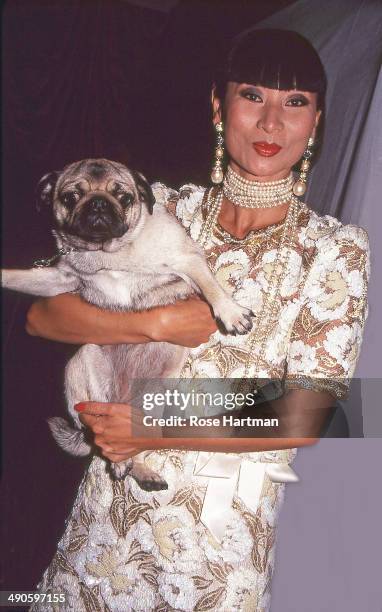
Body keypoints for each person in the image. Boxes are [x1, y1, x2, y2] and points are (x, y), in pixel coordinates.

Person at [27, 29, 369, 612]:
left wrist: (151, 422)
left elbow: (322, 408)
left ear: (316, 122)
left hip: (214, 551)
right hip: (104, 529)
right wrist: (154, 326)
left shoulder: (336, 251)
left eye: (295, 103)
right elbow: (42, 314)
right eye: (252, 95)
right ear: (218, 106)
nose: (270, 123)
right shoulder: (158, 206)